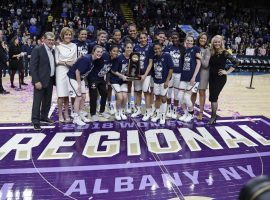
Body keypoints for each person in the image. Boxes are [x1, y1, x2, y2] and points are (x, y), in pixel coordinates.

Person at [208, 35, 238, 124]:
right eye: (215, 42)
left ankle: (213, 117)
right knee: (212, 98)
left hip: (220, 78)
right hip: (211, 78)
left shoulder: (225, 52)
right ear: (213, 43)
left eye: (218, 42)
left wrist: (227, 72)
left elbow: (236, 62)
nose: (217, 43)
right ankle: (214, 115)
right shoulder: (211, 52)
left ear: (221, 43)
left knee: (213, 98)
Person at [30, 32, 56, 131]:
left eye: (52, 40)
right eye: (49, 39)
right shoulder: (37, 49)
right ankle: (35, 121)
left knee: (47, 100)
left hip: (50, 79)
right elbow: (32, 67)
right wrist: (36, 81)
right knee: (37, 101)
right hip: (40, 80)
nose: (51, 41)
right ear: (43, 39)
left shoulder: (52, 50)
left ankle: (44, 116)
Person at [87, 45, 119, 121]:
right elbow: (92, 58)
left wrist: (107, 81)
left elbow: (109, 70)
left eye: (117, 51)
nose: (116, 53)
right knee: (93, 95)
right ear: (110, 51)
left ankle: (102, 111)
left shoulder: (115, 59)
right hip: (93, 77)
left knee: (105, 94)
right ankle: (93, 113)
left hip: (101, 78)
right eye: (114, 51)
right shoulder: (104, 55)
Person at [55, 27, 77, 122]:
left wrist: (66, 62)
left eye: (69, 34)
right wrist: (65, 63)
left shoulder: (74, 46)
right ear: (62, 35)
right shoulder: (58, 46)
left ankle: (66, 113)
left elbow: (75, 59)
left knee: (68, 94)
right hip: (60, 71)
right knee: (61, 95)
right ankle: (60, 114)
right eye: (66, 34)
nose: (68, 36)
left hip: (70, 71)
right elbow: (56, 61)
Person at [178, 35, 201, 123]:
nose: (189, 42)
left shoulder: (196, 48)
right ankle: (185, 113)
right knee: (180, 96)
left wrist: (194, 77)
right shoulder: (185, 50)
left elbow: (199, 63)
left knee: (187, 97)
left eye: (191, 41)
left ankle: (191, 114)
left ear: (193, 42)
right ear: (185, 41)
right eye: (188, 40)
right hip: (184, 76)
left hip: (193, 78)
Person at [132, 32, 154, 121]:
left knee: (146, 92)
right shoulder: (136, 47)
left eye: (144, 38)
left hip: (146, 75)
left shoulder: (150, 48)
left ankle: (148, 112)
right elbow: (133, 61)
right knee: (137, 92)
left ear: (147, 38)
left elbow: (150, 63)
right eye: (141, 38)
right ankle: (138, 110)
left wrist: (145, 75)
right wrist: (134, 73)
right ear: (139, 39)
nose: (143, 39)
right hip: (137, 74)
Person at [151, 43, 173, 124]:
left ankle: (163, 115)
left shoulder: (166, 56)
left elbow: (171, 69)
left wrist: (167, 81)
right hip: (156, 80)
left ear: (161, 48)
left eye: (158, 48)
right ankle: (157, 114)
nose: (157, 50)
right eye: (155, 49)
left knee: (163, 98)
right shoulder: (154, 57)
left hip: (164, 81)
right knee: (157, 97)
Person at [164, 32, 184, 119]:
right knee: (169, 93)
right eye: (173, 38)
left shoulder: (182, 48)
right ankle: (168, 109)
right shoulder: (168, 48)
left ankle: (174, 110)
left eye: (176, 37)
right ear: (171, 38)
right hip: (170, 73)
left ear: (179, 38)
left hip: (179, 73)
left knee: (176, 94)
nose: (175, 39)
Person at [110, 41, 133, 120]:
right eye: (127, 47)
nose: (129, 49)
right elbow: (113, 71)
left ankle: (122, 111)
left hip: (124, 81)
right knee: (120, 97)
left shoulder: (133, 58)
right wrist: (122, 76)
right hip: (115, 79)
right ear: (124, 48)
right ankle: (117, 112)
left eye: (130, 48)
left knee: (125, 96)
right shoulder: (119, 57)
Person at [191, 32, 211, 120]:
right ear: (198, 39)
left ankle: (201, 113)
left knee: (202, 93)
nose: (202, 40)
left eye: (204, 38)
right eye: (201, 38)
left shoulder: (208, 49)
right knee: (193, 92)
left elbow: (205, 64)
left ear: (206, 40)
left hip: (204, 73)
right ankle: (191, 111)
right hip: (194, 73)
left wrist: (199, 57)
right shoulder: (194, 48)